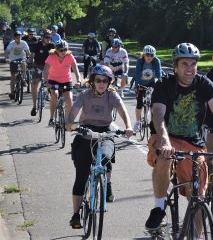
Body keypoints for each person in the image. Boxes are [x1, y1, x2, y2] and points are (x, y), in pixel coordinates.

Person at [145, 42, 213, 231]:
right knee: (164, 157)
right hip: (165, 137)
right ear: (175, 66)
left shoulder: (203, 84)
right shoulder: (164, 84)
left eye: (193, 64)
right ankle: (159, 207)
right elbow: (158, 114)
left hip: (193, 143)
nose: (190, 68)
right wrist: (164, 139)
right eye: (184, 64)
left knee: (198, 197)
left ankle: (196, 235)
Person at [65, 64, 133, 228]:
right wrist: (69, 123)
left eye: (105, 81)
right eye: (98, 80)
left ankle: (107, 184)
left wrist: (128, 126)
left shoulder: (111, 94)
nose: (101, 83)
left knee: (107, 162)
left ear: (109, 82)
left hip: (105, 132)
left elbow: (122, 110)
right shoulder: (85, 95)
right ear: (92, 81)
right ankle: (75, 215)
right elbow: (74, 110)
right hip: (85, 132)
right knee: (81, 175)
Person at [43, 40, 81, 126]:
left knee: (69, 100)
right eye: (61, 50)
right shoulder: (51, 57)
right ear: (56, 50)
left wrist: (78, 80)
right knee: (55, 94)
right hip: (53, 80)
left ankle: (67, 121)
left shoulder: (69, 56)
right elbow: (45, 71)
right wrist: (46, 82)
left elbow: (76, 69)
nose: (63, 52)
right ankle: (51, 118)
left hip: (66, 81)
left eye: (65, 49)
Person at [133, 45, 162, 132]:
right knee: (139, 103)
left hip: (151, 83)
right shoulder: (140, 61)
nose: (149, 57)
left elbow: (158, 73)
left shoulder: (156, 61)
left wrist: (159, 84)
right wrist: (137, 85)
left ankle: (153, 122)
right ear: (144, 55)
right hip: (141, 83)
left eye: (151, 55)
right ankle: (138, 122)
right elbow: (137, 73)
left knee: (154, 103)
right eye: (147, 55)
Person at [29, 29, 55, 116]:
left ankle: (47, 94)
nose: (48, 39)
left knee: (50, 84)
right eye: (47, 37)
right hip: (38, 66)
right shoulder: (36, 45)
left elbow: (55, 57)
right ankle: (34, 106)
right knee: (34, 84)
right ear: (42, 37)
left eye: (50, 37)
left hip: (48, 66)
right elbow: (32, 56)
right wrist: (30, 63)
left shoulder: (52, 46)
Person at [5, 31, 30, 99]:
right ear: (14, 38)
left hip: (22, 58)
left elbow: (28, 51)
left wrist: (30, 58)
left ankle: (24, 79)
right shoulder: (11, 43)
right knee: (13, 77)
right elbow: (7, 51)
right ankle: (12, 93)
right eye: (17, 37)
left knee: (23, 63)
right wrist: (6, 58)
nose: (18, 38)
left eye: (19, 37)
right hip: (13, 59)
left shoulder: (23, 43)